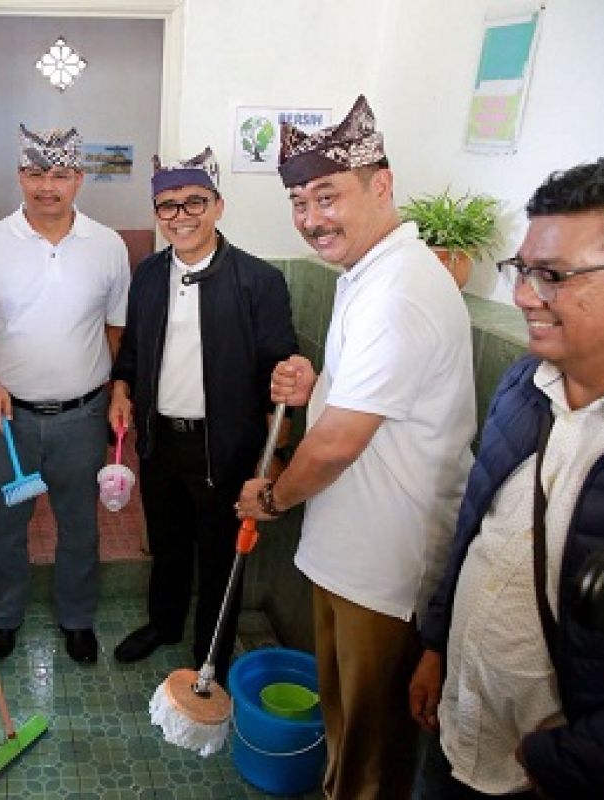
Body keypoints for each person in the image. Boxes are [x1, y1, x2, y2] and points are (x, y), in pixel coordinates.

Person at [239, 95, 475, 800]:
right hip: (350, 553)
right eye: (298, 201)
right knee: (344, 729)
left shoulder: (397, 288)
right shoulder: (368, 275)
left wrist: (272, 495)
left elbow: (340, 442)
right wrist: (316, 382)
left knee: (371, 752)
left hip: (387, 565)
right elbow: (364, 407)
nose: (312, 218)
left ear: (382, 185)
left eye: (327, 195)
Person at [409, 155, 604, 800]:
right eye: (523, 269)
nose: (521, 294)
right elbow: (477, 531)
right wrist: (437, 646)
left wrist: (564, 760)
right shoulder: (524, 385)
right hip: (462, 719)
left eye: (553, 275)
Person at [110, 147, 297, 685]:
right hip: (160, 439)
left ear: (218, 206)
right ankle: (163, 625)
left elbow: (277, 375)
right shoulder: (147, 275)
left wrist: (274, 456)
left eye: (194, 202)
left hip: (228, 445)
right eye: (167, 206)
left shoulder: (257, 281)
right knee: (166, 543)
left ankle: (209, 649)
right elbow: (133, 353)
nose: (181, 216)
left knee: (220, 554)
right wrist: (123, 388)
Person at [0, 125, 129, 664]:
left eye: (60, 174)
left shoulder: (107, 246)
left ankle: (77, 618)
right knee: (6, 524)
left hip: (82, 416)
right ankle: (4, 616)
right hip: (7, 416)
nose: (47, 186)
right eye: (36, 173)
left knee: (80, 524)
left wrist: (107, 389)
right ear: (20, 176)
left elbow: (115, 328)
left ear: (79, 179)